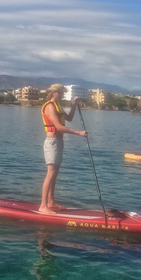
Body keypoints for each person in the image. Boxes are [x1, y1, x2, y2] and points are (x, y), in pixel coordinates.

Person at [39, 83, 87, 215]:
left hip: (59, 142)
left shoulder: (57, 106)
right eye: (60, 92)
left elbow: (69, 118)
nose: (61, 94)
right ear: (54, 93)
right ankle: (43, 205)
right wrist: (79, 133)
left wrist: (74, 105)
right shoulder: (49, 106)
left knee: (54, 174)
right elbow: (59, 127)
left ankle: (51, 202)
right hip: (52, 142)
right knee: (50, 173)